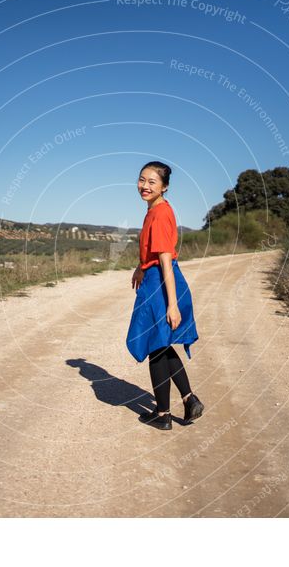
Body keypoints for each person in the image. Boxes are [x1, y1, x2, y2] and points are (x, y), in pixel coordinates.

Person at [125, 161, 204, 431]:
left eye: (152, 182)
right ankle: (189, 400)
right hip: (155, 278)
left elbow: (165, 258)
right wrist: (139, 267)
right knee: (161, 344)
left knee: (155, 346)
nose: (145, 186)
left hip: (162, 283)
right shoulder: (156, 211)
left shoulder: (159, 214)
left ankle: (163, 414)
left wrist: (172, 304)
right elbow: (153, 251)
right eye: (142, 180)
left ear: (165, 187)